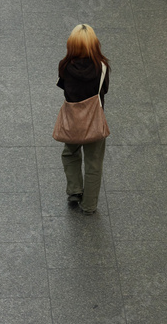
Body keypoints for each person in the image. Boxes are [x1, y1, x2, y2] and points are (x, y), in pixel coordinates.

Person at [56, 24, 110, 215]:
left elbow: (64, 87)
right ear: (94, 44)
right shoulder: (102, 67)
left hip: (72, 122)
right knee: (94, 163)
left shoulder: (65, 66)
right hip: (95, 121)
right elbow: (104, 90)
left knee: (69, 154)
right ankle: (89, 205)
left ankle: (74, 190)